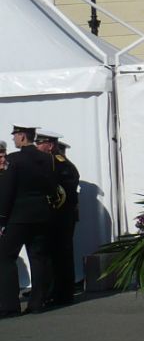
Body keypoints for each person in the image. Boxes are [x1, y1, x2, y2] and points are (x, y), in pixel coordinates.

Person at [0, 124, 58, 316]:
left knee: (6, 258)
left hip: (19, 216)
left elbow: (7, 190)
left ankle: (9, 305)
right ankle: (37, 303)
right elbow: (52, 188)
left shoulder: (14, 159)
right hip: (41, 214)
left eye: (16, 136)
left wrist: (2, 218)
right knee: (38, 257)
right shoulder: (47, 159)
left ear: (22, 136)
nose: (14, 139)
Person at [36, 131, 79, 306]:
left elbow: (62, 190)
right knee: (54, 254)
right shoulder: (52, 162)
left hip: (61, 216)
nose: (37, 146)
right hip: (58, 215)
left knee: (61, 255)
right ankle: (53, 290)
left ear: (50, 145)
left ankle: (62, 293)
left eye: (40, 143)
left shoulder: (59, 164)